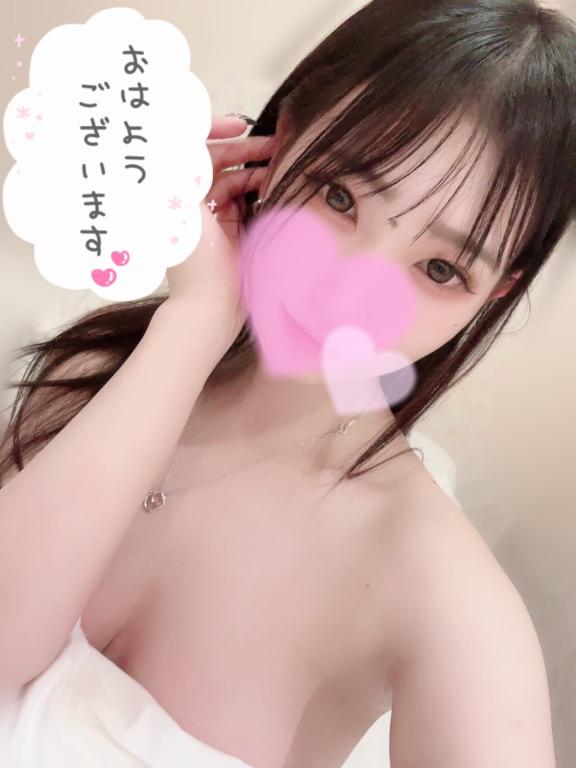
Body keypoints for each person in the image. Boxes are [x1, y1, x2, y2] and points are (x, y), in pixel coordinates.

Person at [0, 1, 573, 766]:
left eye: (440, 268)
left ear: (497, 291)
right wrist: (197, 318)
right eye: (339, 197)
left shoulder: (445, 601)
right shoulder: (104, 367)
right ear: (284, 139)